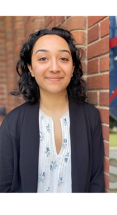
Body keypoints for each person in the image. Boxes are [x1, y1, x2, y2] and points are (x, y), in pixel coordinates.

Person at [0, 27, 105, 193]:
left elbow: (96, 182)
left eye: (63, 58)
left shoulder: (90, 116)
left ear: (72, 67)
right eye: (43, 58)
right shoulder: (12, 123)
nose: (55, 67)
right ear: (31, 68)